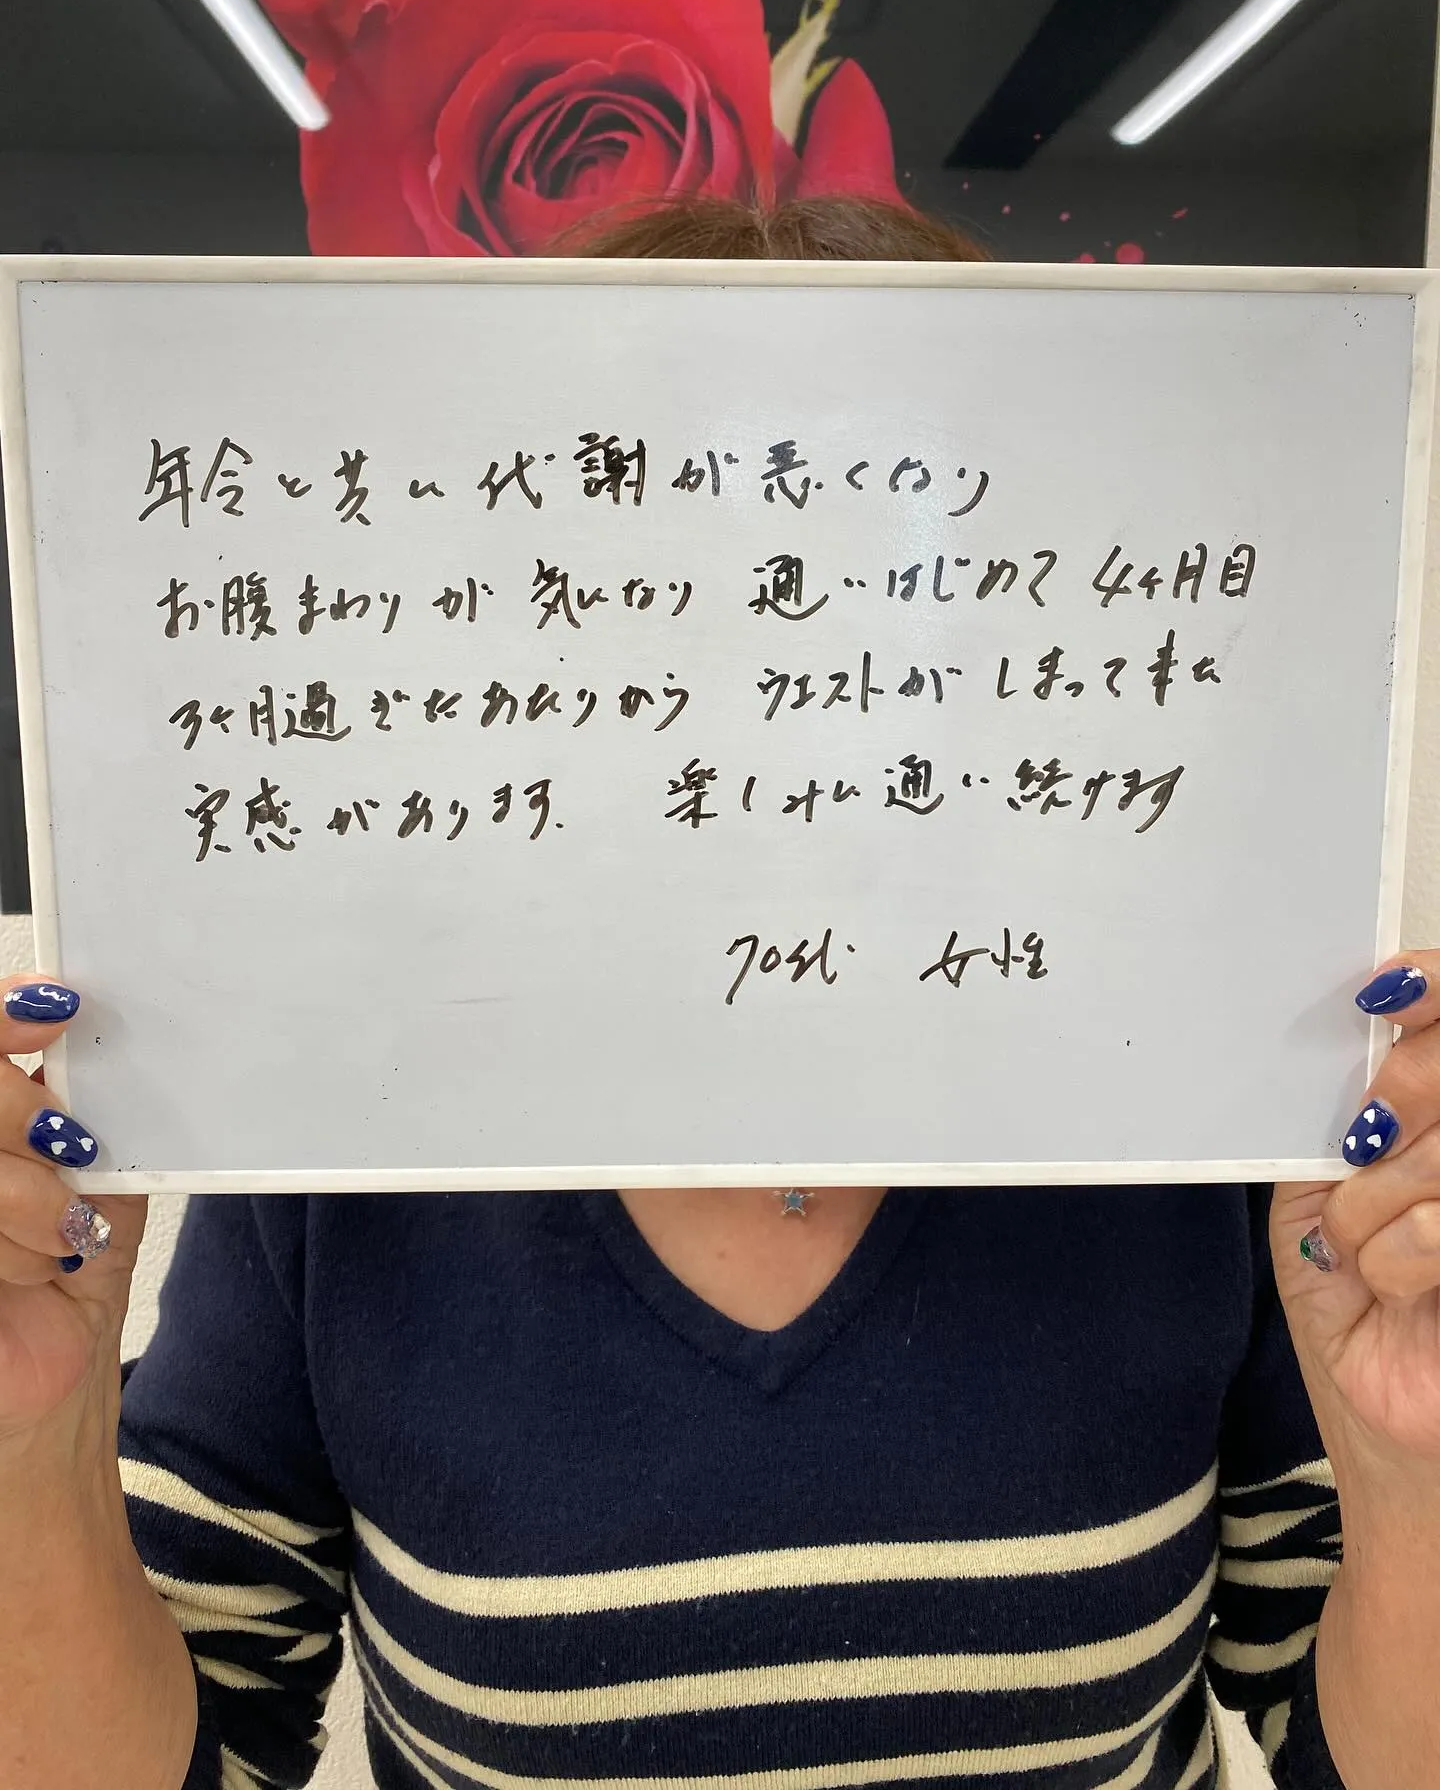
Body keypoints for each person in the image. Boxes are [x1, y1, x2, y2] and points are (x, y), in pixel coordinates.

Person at [1, 197, 1438, 1790]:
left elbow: (1354, 1750)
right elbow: (194, 1749)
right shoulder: (348, 1149)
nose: (775, 683)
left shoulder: (1203, 1120)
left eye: (887, 574)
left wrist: (1418, 1460)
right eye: (660, 587)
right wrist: (28, 1451)